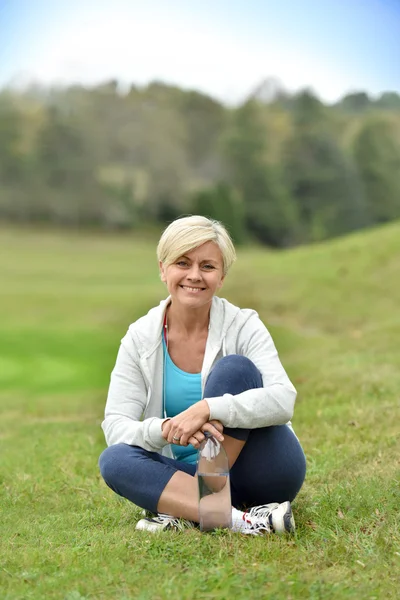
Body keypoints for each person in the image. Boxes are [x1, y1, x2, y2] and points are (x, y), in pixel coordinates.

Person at [99, 215, 306, 535]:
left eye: (207, 266)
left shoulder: (244, 325)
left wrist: (208, 409)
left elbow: (283, 399)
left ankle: (184, 510)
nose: (194, 275)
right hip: (189, 475)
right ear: (162, 268)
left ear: (221, 277)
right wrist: (165, 429)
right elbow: (116, 425)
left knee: (234, 370)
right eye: (182, 263)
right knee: (113, 460)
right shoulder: (140, 337)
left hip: (265, 470)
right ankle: (241, 520)